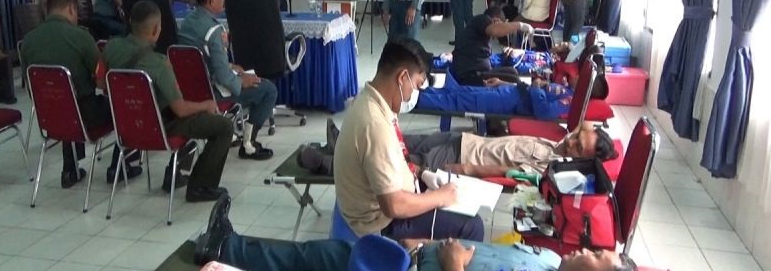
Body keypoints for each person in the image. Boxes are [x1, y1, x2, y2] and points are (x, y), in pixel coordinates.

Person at [194, 195, 639, 271]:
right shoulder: (551, 259)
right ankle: (229, 246)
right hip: (413, 258)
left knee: (319, 259)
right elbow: (484, 253)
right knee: (321, 255)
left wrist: (451, 264)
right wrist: (430, 245)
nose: (586, 249)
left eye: (597, 256)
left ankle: (224, 247)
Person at [334, 38, 484, 241]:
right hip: (380, 223)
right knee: (472, 226)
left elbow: (396, 159)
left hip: (388, 201)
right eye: (417, 86)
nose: (412, 95)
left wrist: (421, 174)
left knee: (451, 193)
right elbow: (393, 206)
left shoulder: (372, 101)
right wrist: (439, 198)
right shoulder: (374, 124)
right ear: (402, 77)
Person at [104, 0, 233, 202]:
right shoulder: (159, 63)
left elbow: (101, 83)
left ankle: (177, 173)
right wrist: (206, 105)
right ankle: (200, 188)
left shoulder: (110, 47)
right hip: (159, 127)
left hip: (126, 126)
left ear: (130, 21)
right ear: (156, 29)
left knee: (192, 109)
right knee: (223, 126)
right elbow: (180, 110)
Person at [21, 0, 134, 187]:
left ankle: (69, 170)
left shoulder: (28, 41)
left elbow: (30, 86)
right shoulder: (80, 36)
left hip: (49, 117)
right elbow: (102, 80)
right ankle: (119, 167)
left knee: (63, 100)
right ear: (72, 9)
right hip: (86, 116)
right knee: (126, 107)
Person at [178, 0, 277, 160]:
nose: (224, 0)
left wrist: (230, 65)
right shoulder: (214, 31)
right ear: (211, 1)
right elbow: (223, 77)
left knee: (245, 76)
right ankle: (249, 145)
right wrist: (242, 81)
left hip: (188, 90)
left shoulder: (187, 23)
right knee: (268, 90)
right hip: (211, 92)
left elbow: (199, 58)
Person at [300, 122, 617, 179]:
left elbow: (508, 171)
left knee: (397, 162)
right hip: (465, 140)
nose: (571, 141)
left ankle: (329, 164)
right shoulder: (556, 143)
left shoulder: (551, 166)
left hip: (461, 158)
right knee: (401, 139)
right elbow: (585, 125)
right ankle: (344, 143)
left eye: (578, 147)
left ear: (581, 160)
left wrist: (466, 170)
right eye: (577, 136)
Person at [450, 4, 532, 86]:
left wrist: (506, 54)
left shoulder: (480, 33)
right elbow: (494, 30)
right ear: (496, 20)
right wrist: (520, 25)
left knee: (512, 72)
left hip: (478, 72)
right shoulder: (483, 19)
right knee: (514, 79)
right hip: (470, 76)